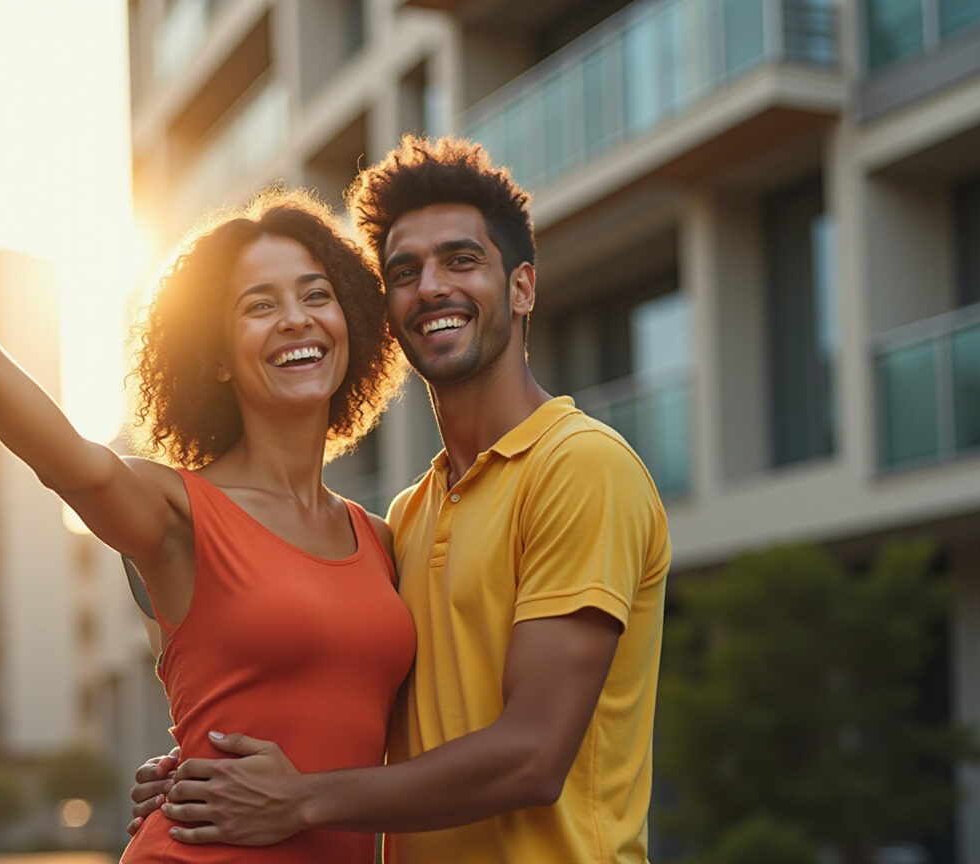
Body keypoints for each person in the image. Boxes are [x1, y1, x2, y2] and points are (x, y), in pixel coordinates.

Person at [127, 137, 671, 863]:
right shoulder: (406, 519)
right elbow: (334, 693)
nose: (432, 287)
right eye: (405, 272)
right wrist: (203, 771)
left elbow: (532, 758)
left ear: (522, 288)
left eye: (462, 260)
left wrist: (298, 798)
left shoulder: (581, 466)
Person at [0, 189, 412, 864]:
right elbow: (72, 465)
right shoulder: (176, 510)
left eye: (315, 295)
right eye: (259, 305)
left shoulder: (380, 540)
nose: (295, 319)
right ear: (215, 353)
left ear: (349, 318)